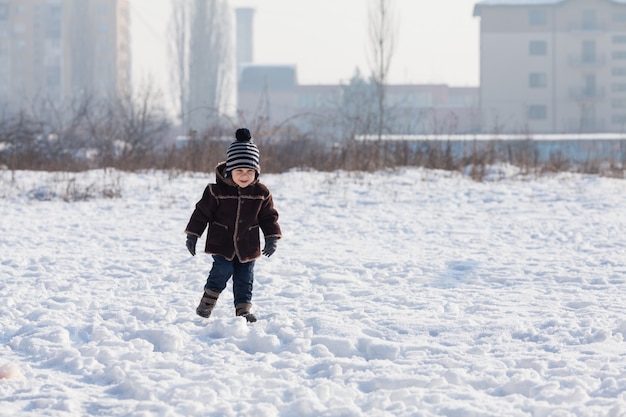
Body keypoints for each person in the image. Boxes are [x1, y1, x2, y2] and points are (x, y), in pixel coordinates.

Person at [184, 128, 282, 322]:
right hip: (222, 242)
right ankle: (207, 302)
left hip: (248, 243)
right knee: (223, 270)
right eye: (239, 171)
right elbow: (201, 213)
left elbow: (268, 216)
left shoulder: (261, 192)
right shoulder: (215, 191)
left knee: (245, 278)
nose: (244, 175)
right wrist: (193, 234)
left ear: (256, 172)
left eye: (249, 171)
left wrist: (272, 237)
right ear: (230, 171)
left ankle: (243, 310)